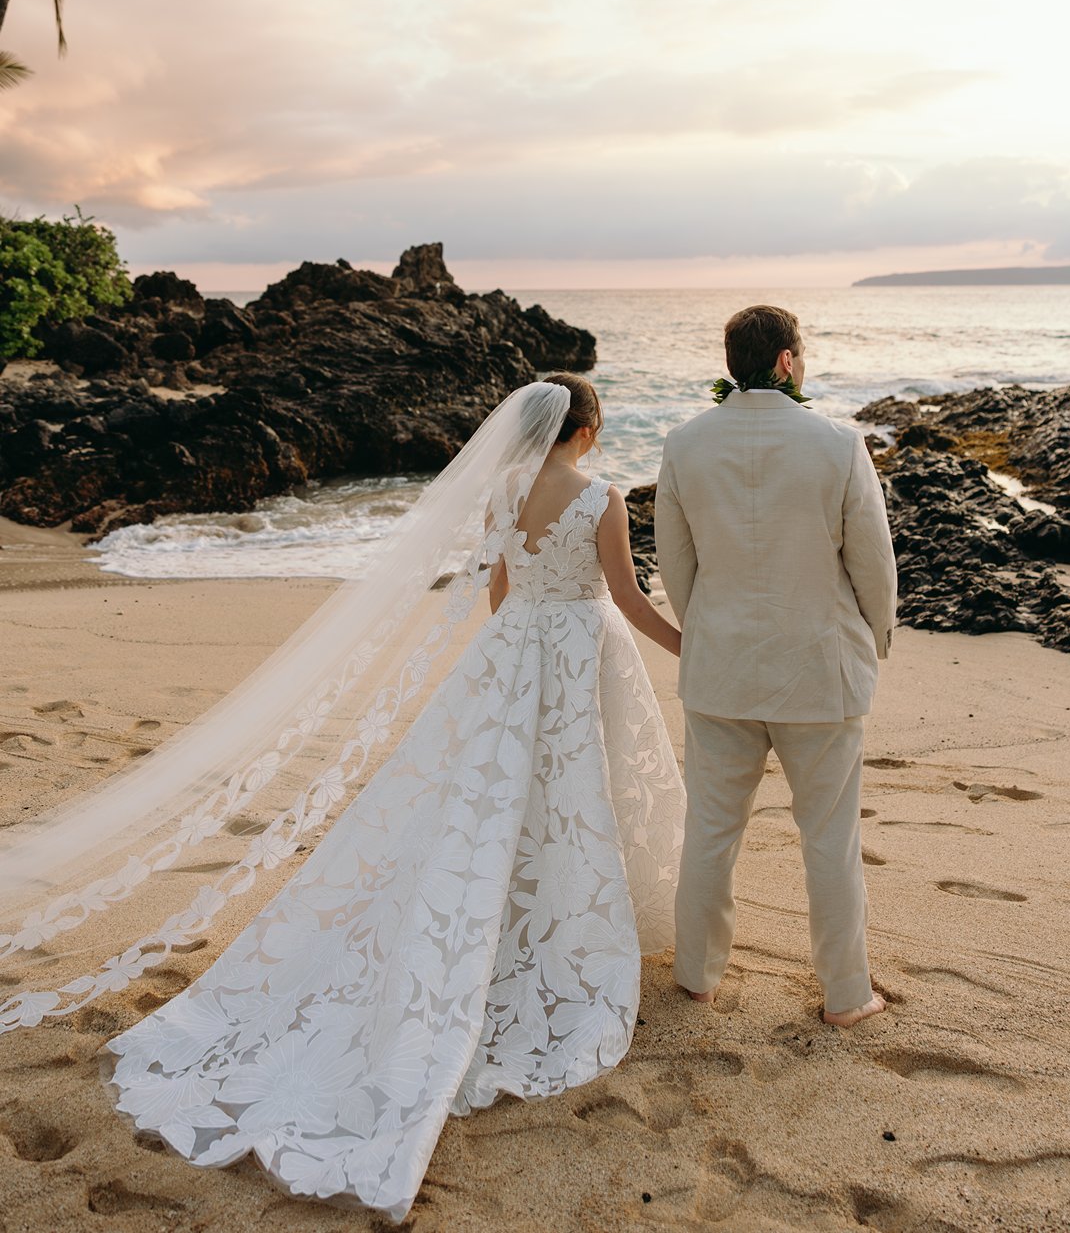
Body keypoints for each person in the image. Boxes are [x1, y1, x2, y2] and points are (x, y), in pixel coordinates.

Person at [1, 377, 684, 1224]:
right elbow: (623, 595)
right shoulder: (603, 497)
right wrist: (689, 645)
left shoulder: (504, 488)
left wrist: (513, 654)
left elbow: (500, 587)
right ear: (585, 432)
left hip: (510, 656)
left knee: (482, 801)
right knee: (578, 797)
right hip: (582, 653)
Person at [655, 305, 896, 1028]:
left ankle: (697, 977)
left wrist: (710, 633)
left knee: (710, 831)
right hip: (819, 671)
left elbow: (676, 568)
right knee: (829, 837)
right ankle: (847, 995)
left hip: (721, 671)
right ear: (787, 362)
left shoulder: (684, 444)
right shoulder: (837, 445)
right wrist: (874, 639)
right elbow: (873, 566)